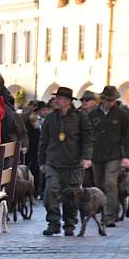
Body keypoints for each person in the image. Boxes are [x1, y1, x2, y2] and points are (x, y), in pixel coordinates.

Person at [38, 87, 93, 236]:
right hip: (53, 162)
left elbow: (87, 139)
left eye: (60, 98)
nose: (56, 100)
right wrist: (41, 161)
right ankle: (53, 223)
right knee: (50, 192)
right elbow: (43, 141)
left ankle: (69, 224)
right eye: (56, 98)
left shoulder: (80, 118)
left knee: (72, 196)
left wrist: (86, 157)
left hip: (74, 164)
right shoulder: (50, 118)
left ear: (68, 102)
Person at [88, 86, 129, 227]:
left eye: (112, 100)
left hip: (114, 155)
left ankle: (109, 216)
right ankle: (103, 210)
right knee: (99, 185)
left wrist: (127, 156)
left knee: (110, 183)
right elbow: (87, 135)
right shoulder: (93, 114)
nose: (110, 103)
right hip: (96, 155)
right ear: (102, 99)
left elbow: (128, 136)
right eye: (108, 100)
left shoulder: (121, 115)